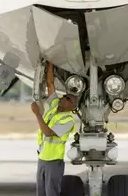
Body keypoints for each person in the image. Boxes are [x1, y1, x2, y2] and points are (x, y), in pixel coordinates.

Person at [31, 61, 78, 196]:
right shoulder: (54, 105)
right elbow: (50, 84)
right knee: (41, 193)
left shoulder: (68, 121)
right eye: (65, 95)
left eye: (68, 98)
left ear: (72, 107)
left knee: (52, 192)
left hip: (53, 162)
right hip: (42, 159)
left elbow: (49, 133)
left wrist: (37, 114)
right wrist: (50, 64)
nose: (64, 97)